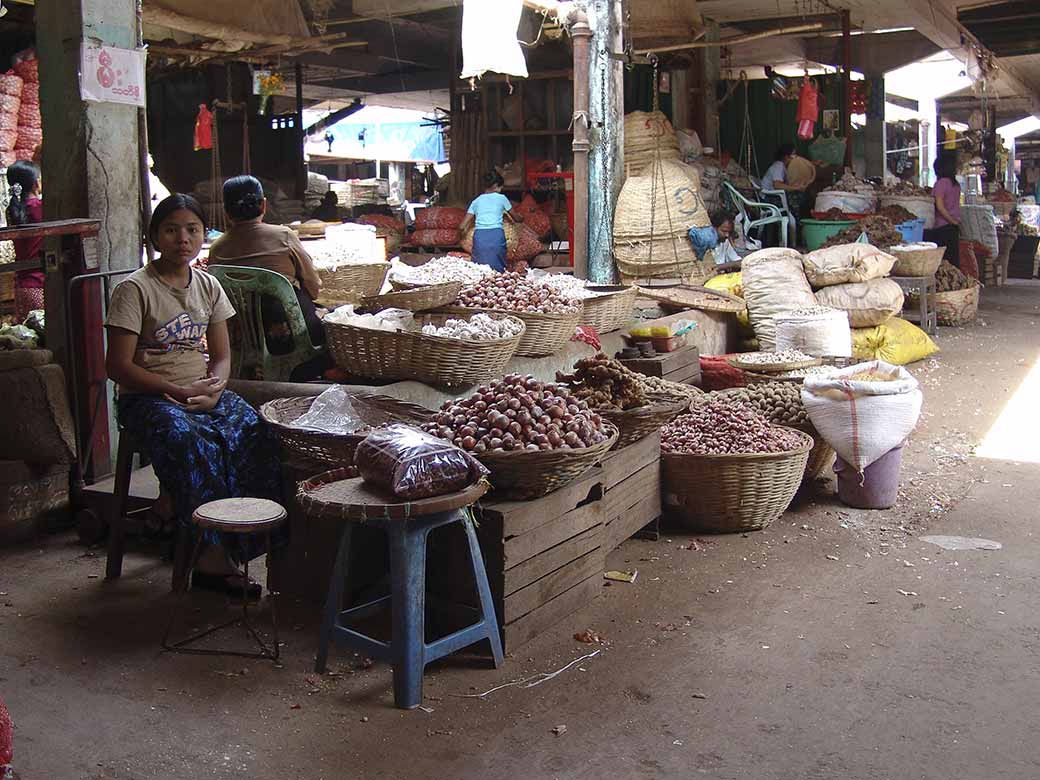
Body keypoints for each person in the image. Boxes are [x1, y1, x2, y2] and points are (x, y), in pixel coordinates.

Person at [104, 194, 283, 597]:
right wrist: (176, 390)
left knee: (256, 430)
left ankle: (241, 542)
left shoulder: (208, 284)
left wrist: (215, 387)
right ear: (154, 237)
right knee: (189, 440)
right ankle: (209, 560)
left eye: (192, 230)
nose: (182, 239)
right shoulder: (135, 290)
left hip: (198, 392)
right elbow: (116, 366)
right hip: (147, 398)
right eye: (170, 229)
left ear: (204, 235)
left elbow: (221, 357)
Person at [208, 175, 326, 349]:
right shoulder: (284, 236)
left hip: (243, 338)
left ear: (226, 212)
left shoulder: (217, 248)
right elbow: (313, 286)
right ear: (263, 205)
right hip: (290, 336)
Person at [459, 171, 523, 272]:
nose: (501, 190)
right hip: (496, 237)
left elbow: (462, 226)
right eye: (501, 187)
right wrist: (521, 218)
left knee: (480, 270)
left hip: (480, 238)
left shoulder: (476, 201)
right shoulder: (502, 199)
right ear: (496, 185)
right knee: (498, 271)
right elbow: (516, 218)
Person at [6, 160, 44, 321]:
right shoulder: (40, 207)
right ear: (36, 183)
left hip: (22, 286)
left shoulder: (12, 211)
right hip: (40, 285)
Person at [925, 154, 961, 268]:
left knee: (943, 263)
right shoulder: (955, 185)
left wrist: (951, 221)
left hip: (943, 228)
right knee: (953, 262)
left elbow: (940, 207)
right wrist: (955, 222)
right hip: (953, 228)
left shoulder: (941, 183)